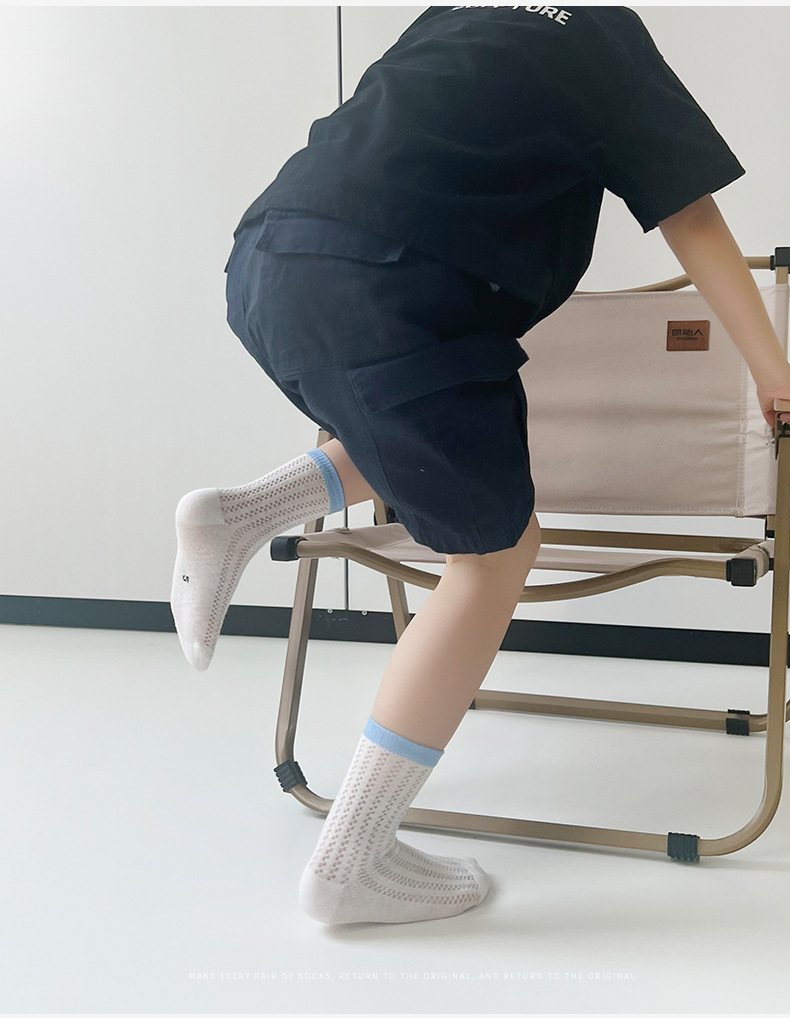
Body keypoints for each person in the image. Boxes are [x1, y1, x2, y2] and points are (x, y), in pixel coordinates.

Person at [170, 6, 790, 925]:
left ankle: (238, 515)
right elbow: (690, 213)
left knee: (410, 432)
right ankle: (351, 864)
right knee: (498, 555)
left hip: (269, 258)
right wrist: (776, 375)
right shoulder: (602, 31)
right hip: (394, 287)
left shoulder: (456, 11)